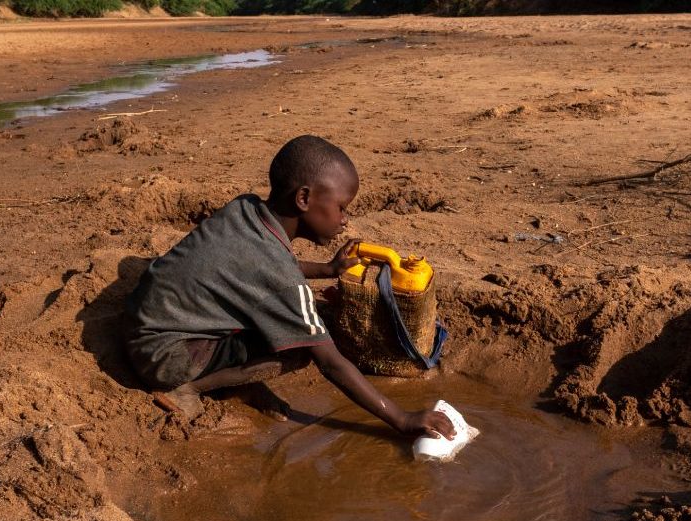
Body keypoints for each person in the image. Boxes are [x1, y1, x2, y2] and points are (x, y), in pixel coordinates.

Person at [124, 135, 455, 440]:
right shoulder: (278, 273)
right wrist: (402, 418)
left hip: (146, 324)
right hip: (164, 357)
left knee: (287, 315)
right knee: (300, 347)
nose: (345, 219)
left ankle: (235, 381)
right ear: (304, 198)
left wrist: (326, 270)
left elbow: (256, 269)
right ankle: (189, 388)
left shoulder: (246, 209)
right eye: (341, 207)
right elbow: (330, 362)